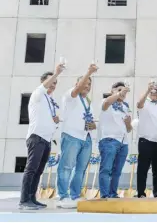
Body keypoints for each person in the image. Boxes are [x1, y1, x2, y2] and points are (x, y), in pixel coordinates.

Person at [19, 64, 64, 210]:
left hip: (46, 139)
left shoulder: (50, 101)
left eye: (56, 83)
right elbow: (45, 86)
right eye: (51, 81)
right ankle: (24, 200)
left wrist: (55, 121)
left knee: (38, 171)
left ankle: (32, 198)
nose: (53, 85)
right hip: (36, 137)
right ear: (43, 83)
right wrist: (56, 73)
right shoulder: (38, 94)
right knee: (31, 169)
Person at [57, 63, 98, 208]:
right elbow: (76, 90)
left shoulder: (88, 102)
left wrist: (93, 125)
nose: (87, 86)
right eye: (84, 83)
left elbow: (88, 118)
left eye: (89, 84)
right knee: (66, 166)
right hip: (71, 135)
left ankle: (74, 196)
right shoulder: (71, 95)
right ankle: (62, 197)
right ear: (77, 84)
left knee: (80, 169)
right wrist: (89, 72)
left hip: (85, 138)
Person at [136, 81, 157, 198]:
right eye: (152, 90)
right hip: (146, 140)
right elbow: (138, 104)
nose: (154, 92)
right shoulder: (144, 102)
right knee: (143, 168)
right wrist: (147, 90)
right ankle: (141, 193)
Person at [98, 82, 132, 198]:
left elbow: (129, 129)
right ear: (112, 91)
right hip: (109, 140)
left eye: (124, 91)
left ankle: (113, 194)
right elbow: (107, 103)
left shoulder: (125, 107)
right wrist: (119, 94)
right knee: (106, 169)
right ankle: (104, 195)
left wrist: (128, 124)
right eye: (118, 89)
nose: (122, 92)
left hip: (123, 143)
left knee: (117, 172)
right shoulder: (106, 101)